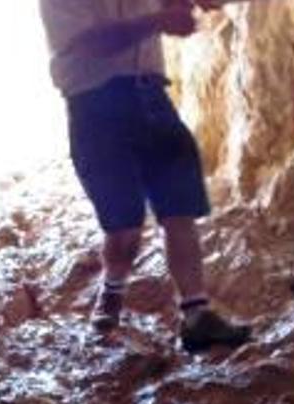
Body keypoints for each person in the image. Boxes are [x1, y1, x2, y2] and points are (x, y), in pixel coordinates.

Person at [38, 0, 251, 353]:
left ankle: (196, 315)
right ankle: (112, 290)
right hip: (96, 107)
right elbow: (90, 42)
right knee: (124, 229)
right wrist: (157, 21)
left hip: (151, 95)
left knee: (179, 208)